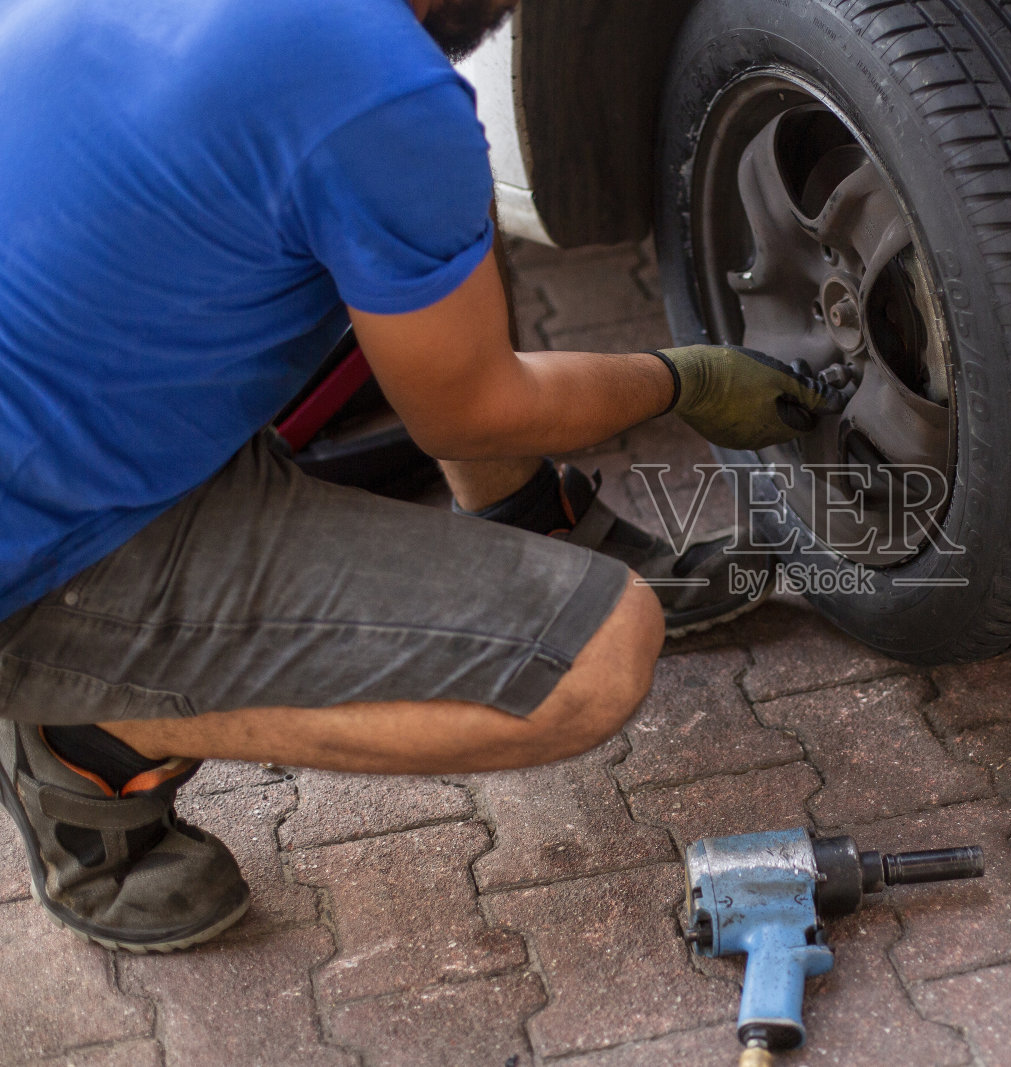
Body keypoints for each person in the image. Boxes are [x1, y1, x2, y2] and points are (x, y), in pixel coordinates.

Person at [0, 0, 823, 952]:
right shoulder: (376, 89)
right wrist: (681, 381)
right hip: (40, 556)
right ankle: (97, 735)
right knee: (594, 660)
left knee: (419, 198)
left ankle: (529, 516)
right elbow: (470, 407)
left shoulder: (331, 66)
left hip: (71, 420)